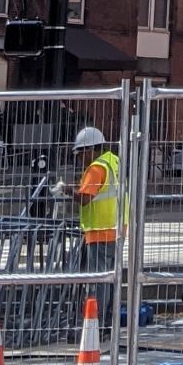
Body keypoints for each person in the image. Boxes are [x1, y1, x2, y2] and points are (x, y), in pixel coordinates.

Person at [68, 125, 120, 329]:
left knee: (99, 281)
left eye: (80, 154)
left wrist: (66, 190)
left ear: (89, 149)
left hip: (99, 231)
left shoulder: (96, 168)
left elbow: (85, 198)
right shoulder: (113, 161)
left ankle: (96, 324)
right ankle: (107, 322)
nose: (80, 159)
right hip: (115, 230)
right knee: (110, 279)